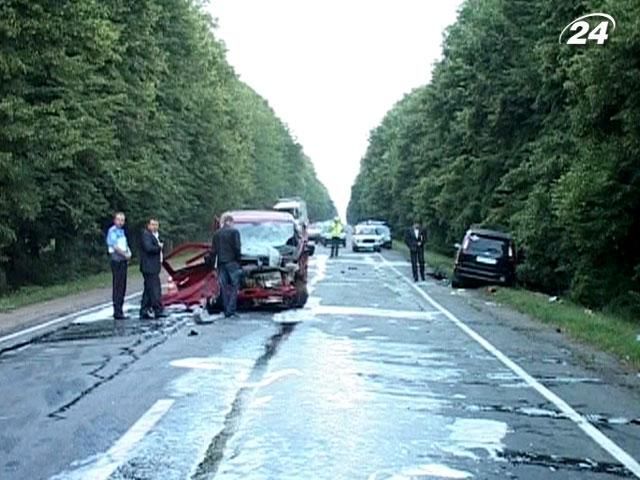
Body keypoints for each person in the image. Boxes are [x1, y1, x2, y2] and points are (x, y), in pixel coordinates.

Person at [211, 214, 242, 318]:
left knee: (223, 287)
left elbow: (213, 251)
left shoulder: (217, 234)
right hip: (232, 262)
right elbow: (237, 248)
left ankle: (226, 309)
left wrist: (211, 265)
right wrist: (239, 260)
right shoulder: (234, 232)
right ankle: (231, 310)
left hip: (221, 263)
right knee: (235, 286)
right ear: (230, 221)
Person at [139, 218, 167, 320]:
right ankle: (158, 309)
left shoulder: (156, 235)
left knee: (148, 289)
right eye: (153, 224)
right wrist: (159, 247)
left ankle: (144, 309)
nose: (155, 227)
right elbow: (148, 248)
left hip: (153, 266)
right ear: (148, 225)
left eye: (156, 225)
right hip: (149, 267)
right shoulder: (146, 235)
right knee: (155, 288)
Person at [106, 212, 131, 319]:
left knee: (123, 286)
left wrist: (129, 253)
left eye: (122, 220)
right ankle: (117, 311)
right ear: (115, 220)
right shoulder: (112, 231)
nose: (120, 222)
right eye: (119, 220)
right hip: (117, 260)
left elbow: (124, 245)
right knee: (117, 285)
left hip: (123, 261)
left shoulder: (122, 232)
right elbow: (115, 246)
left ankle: (120, 308)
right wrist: (125, 254)